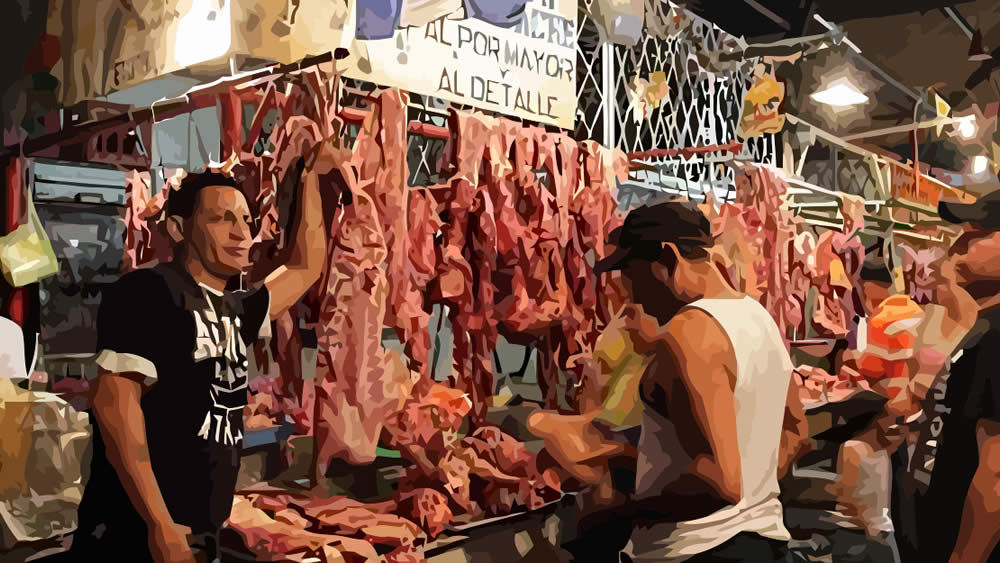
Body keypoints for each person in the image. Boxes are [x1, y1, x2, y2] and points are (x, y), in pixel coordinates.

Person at [67, 139, 341, 563]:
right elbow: (115, 407)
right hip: (133, 535)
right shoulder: (148, 291)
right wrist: (159, 524)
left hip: (200, 532)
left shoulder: (236, 308)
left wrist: (312, 178)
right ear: (178, 228)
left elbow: (306, 266)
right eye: (221, 219)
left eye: (246, 220)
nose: (241, 233)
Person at [591, 200, 808, 563]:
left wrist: (623, 506)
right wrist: (754, 494)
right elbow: (796, 433)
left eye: (632, 275)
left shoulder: (689, 332)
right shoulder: (759, 318)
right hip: (760, 545)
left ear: (667, 259)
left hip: (697, 550)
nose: (634, 297)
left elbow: (719, 480)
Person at [914, 189, 1000, 563]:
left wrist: (965, 557)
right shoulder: (984, 327)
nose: (961, 239)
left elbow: (997, 470)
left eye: (979, 228)